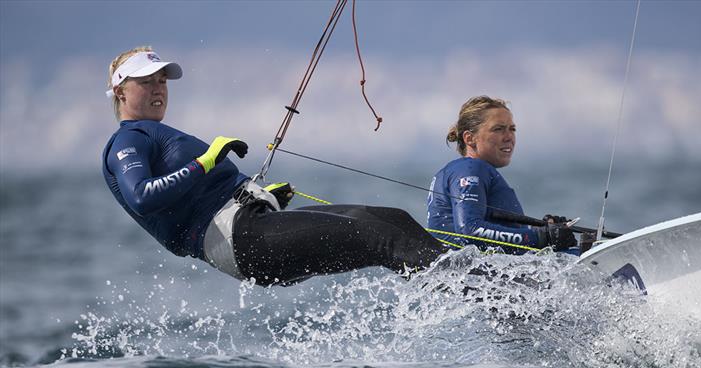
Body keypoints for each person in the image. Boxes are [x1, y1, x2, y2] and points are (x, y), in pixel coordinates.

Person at [102, 46, 444, 286]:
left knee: (391, 219)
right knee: (380, 238)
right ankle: (482, 298)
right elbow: (142, 197)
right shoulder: (127, 141)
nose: (158, 88)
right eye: (146, 81)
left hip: (252, 224)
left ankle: (478, 280)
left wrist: (263, 197)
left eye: (161, 80)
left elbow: (200, 198)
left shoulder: (154, 134)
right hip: (240, 243)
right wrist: (205, 162)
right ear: (120, 90)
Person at [427, 96, 577, 254]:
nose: (508, 137)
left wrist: (544, 229)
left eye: (512, 129)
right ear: (469, 138)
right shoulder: (470, 169)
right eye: (498, 129)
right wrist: (540, 237)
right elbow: (470, 229)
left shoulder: (465, 170)